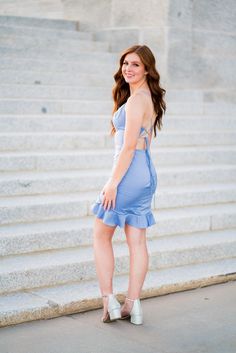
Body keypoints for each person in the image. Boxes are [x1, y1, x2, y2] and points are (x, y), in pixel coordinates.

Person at [91, 44, 166, 325]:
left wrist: (112, 183)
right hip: (145, 172)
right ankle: (132, 305)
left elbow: (129, 147)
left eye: (135, 64)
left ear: (147, 68)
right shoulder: (147, 97)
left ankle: (108, 299)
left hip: (130, 171)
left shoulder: (137, 100)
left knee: (101, 233)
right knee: (137, 240)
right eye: (125, 63)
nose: (128, 69)